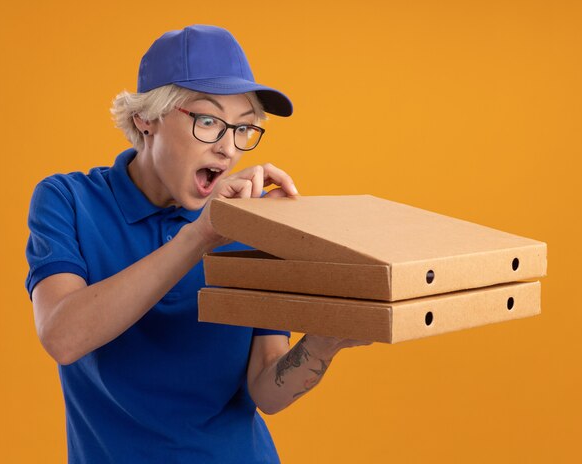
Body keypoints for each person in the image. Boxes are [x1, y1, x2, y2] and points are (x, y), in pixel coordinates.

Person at [25, 25, 369, 463]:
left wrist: (324, 341)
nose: (228, 149)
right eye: (209, 121)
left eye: (244, 129)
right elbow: (62, 337)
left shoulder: (257, 221)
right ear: (145, 118)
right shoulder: (68, 200)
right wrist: (201, 235)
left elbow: (267, 390)